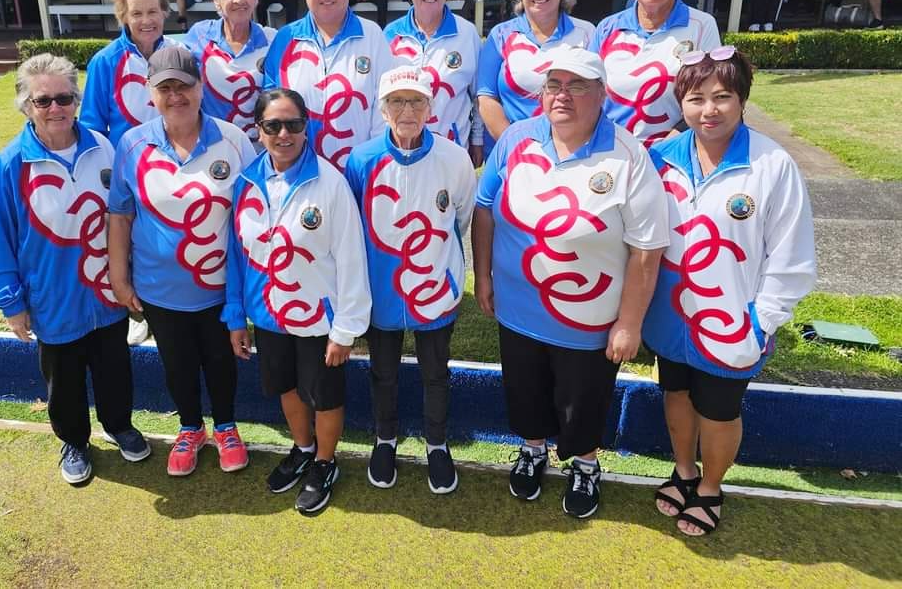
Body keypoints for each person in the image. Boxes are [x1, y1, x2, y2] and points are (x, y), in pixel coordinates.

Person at [473, 46, 667, 519]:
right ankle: (532, 449)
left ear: (601, 94)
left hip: (589, 317)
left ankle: (585, 463)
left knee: (584, 398)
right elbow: (484, 208)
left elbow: (647, 248)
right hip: (519, 307)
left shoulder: (628, 155)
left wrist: (629, 322)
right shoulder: (516, 138)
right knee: (525, 389)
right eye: (554, 85)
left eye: (577, 85)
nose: (562, 95)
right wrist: (482, 275)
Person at [643, 46, 815, 536]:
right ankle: (683, 471)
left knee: (719, 410)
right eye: (696, 99)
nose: (709, 110)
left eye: (722, 97)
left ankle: (711, 486)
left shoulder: (772, 164)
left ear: (742, 99)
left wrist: (763, 320)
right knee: (676, 393)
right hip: (670, 315)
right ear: (681, 103)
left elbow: (791, 253)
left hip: (733, 319)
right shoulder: (661, 158)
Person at [0, 53, 150, 485]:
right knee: (64, 379)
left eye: (64, 98)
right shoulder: (12, 162)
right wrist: (11, 303)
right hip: (52, 296)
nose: (55, 108)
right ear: (26, 106)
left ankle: (120, 426)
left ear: (77, 100)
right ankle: (74, 440)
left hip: (107, 292)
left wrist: (133, 276)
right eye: (43, 100)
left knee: (114, 369)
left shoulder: (105, 148)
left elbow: (127, 218)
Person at [107, 44, 255, 478]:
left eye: (184, 86)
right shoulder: (132, 144)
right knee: (177, 364)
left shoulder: (233, 140)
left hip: (220, 286)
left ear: (201, 87)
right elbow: (120, 215)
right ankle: (190, 427)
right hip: (159, 288)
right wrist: (119, 277)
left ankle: (226, 427)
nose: (176, 96)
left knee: (221, 362)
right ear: (150, 93)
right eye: (165, 88)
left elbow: (254, 211)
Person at [224, 88, 371, 515]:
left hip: (318, 318)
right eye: (273, 125)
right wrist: (236, 316)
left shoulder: (330, 183)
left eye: (293, 124)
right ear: (258, 130)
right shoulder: (246, 182)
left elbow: (351, 258)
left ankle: (325, 463)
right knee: (285, 387)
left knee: (324, 396)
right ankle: (303, 448)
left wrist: (345, 329)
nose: (284, 134)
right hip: (268, 314)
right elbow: (237, 254)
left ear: (307, 127)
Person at [345, 68, 476, 494]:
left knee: (435, 373)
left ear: (430, 108)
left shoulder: (454, 158)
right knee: (382, 372)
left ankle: (437, 444)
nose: (407, 111)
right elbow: (353, 227)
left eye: (417, 101)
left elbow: (460, 218)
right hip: (380, 290)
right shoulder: (361, 160)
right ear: (382, 110)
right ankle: (385, 439)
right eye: (397, 101)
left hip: (434, 288)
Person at [81, 0, 177, 345]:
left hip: (174, 167)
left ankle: (169, 302)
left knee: (167, 236)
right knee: (127, 240)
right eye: (137, 13)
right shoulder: (104, 62)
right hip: (128, 172)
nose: (146, 20)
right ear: (123, 15)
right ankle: (137, 311)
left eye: (152, 11)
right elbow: (91, 125)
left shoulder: (179, 55)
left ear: (164, 11)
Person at [263, 0, 392, 172]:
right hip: (300, 173)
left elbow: (385, 106)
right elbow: (271, 108)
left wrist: (373, 166)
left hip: (359, 172)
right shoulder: (285, 38)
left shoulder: (372, 35)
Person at [589, 0, 722, 147]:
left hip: (674, 150)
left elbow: (710, 96)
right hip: (611, 149)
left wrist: (664, 150)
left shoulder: (702, 26)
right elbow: (587, 92)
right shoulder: (607, 28)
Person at [477, 0, 595, 142]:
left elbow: (597, 95)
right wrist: (516, 147)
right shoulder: (499, 35)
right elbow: (486, 98)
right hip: (512, 149)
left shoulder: (587, 33)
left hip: (571, 149)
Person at [384, 0, 484, 165]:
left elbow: (478, 94)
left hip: (451, 153)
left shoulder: (467, 34)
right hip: (400, 152)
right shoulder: (390, 35)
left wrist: (477, 139)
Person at [182, 0, 276, 145]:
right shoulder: (199, 36)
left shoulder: (273, 40)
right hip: (211, 145)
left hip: (260, 148)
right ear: (216, 0)